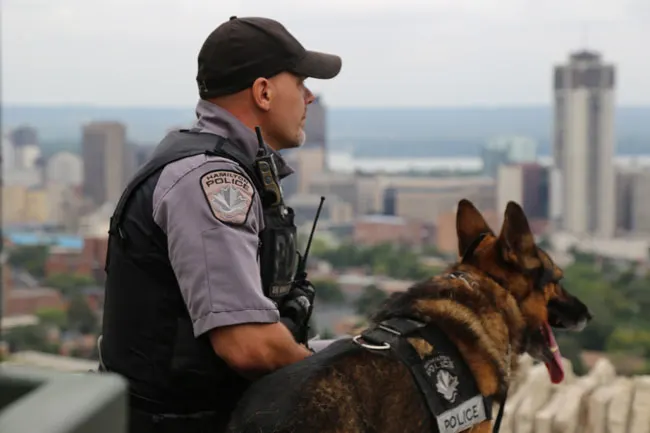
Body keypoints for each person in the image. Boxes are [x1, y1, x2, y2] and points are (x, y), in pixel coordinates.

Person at [98, 16, 342, 433]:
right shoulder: (209, 181)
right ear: (263, 91)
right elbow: (248, 347)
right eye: (300, 81)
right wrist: (342, 383)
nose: (309, 96)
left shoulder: (220, 163)